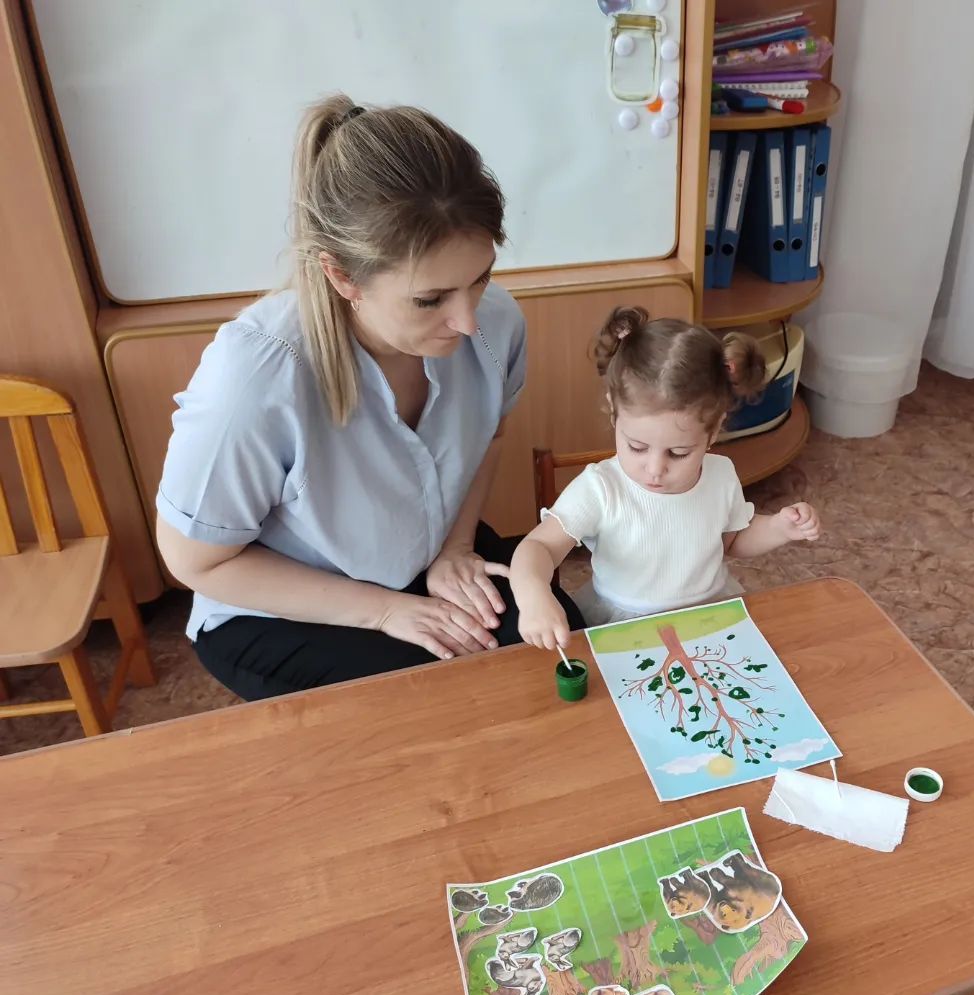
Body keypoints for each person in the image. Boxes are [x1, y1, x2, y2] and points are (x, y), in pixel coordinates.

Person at [155, 94, 581, 700]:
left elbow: (491, 434)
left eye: (480, 278)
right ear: (342, 276)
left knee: (562, 651)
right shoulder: (254, 379)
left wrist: (457, 547)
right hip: (279, 605)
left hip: (425, 552)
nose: (467, 321)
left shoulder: (497, 322)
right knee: (443, 708)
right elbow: (197, 562)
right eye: (430, 299)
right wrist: (384, 611)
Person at [511, 306, 821, 648]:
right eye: (637, 447)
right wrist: (533, 594)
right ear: (614, 413)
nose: (655, 468)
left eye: (678, 453)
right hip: (624, 624)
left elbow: (733, 540)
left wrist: (778, 527)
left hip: (708, 614)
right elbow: (539, 546)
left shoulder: (721, 475)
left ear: (714, 430)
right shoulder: (600, 488)